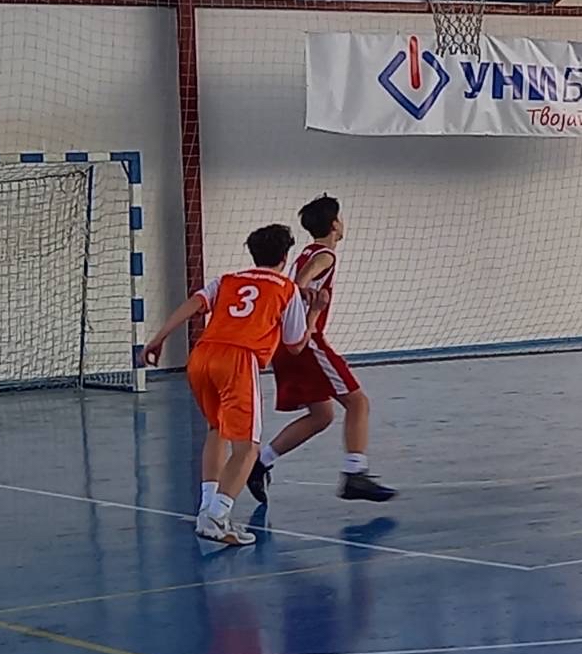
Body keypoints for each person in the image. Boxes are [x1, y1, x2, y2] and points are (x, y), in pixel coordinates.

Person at [141, 224, 325, 546]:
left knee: (218, 429)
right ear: (285, 257)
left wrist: (158, 338)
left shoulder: (228, 280)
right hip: (238, 359)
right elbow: (296, 345)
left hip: (202, 356)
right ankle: (217, 517)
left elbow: (194, 304)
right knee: (248, 448)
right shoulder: (286, 288)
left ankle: (207, 509)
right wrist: (314, 313)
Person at [248, 195, 395, 505]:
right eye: (340, 218)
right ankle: (355, 474)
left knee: (322, 414)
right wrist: (304, 293)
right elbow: (301, 281)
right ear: (334, 224)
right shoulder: (325, 254)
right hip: (307, 341)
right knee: (358, 402)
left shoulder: (305, 252)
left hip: (286, 343)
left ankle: (260, 462)